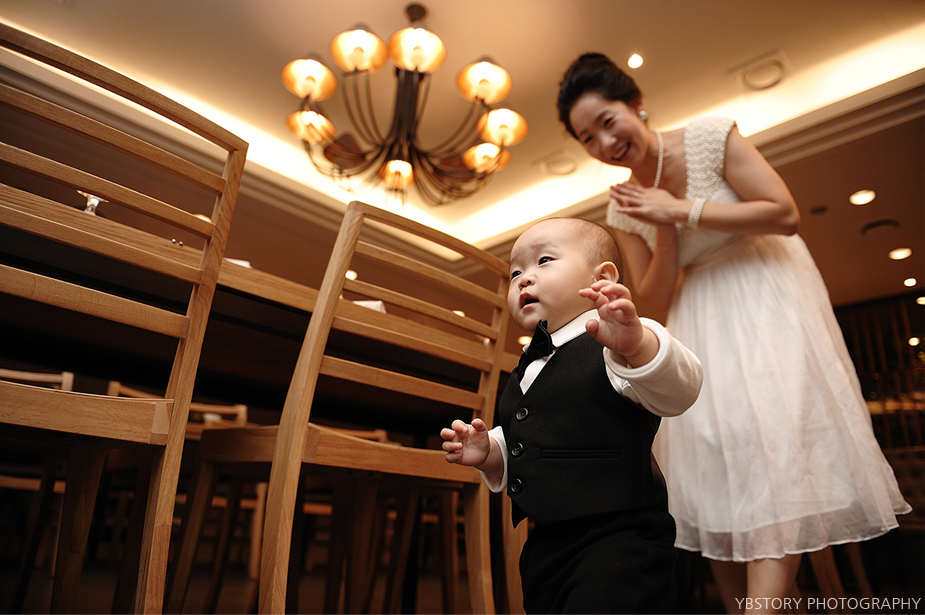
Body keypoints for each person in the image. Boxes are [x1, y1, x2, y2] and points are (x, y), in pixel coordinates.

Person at [555, 52, 910, 614]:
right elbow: (657, 301)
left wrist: (681, 208)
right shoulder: (623, 206)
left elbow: (783, 213)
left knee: (775, 444)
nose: (604, 142)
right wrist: (664, 227)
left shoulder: (709, 137)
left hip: (766, 290)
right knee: (717, 461)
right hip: (700, 314)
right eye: (587, 138)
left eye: (607, 121)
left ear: (635, 104)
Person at [441, 217, 703, 613]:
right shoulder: (526, 369)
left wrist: (638, 346)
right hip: (546, 545)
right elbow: (530, 447)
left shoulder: (621, 342)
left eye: (544, 260)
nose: (524, 279)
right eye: (515, 273)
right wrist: (492, 452)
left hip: (619, 542)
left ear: (602, 277)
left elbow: (681, 389)